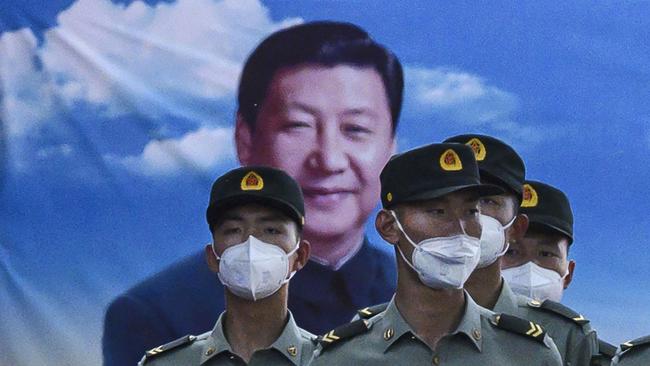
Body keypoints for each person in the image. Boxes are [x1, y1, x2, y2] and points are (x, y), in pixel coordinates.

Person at [103, 21, 403, 366]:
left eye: (356, 129)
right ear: (245, 139)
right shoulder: (154, 316)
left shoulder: (425, 303)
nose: (329, 159)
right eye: (298, 126)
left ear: (390, 148)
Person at [311, 143, 562, 365]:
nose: (460, 230)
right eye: (438, 212)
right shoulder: (342, 358)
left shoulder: (530, 354)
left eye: (471, 212)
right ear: (389, 227)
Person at [138, 166, 315, 365]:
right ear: (212, 257)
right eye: (233, 230)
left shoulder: (330, 361)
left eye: (271, 230)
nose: (251, 244)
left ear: (300, 255)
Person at [444, 135, 596, 365]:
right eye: (455, 200)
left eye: (488, 201)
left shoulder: (568, 337)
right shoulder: (381, 332)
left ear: (516, 226)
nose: (474, 213)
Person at [501, 179, 613, 365]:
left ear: (568, 274)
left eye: (546, 254)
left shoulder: (595, 359)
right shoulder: (449, 343)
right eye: (512, 252)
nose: (529, 268)